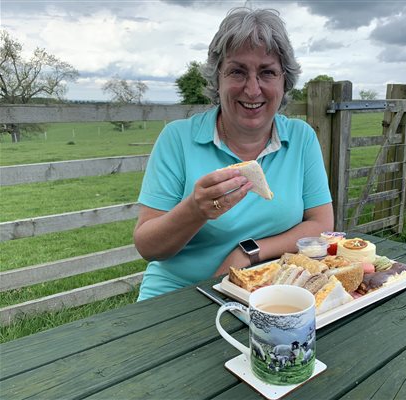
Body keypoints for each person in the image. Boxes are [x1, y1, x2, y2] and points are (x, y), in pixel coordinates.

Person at [134, 7, 334, 301]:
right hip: (178, 297)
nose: (252, 89)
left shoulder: (302, 138)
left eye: (267, 72)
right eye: (237, 71)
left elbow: (321, 223)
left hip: (268, 291)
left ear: (284, 81)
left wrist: (247, 253)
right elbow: (148, 248)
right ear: (217, 79)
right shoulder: (178, 139)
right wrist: (195, 210)